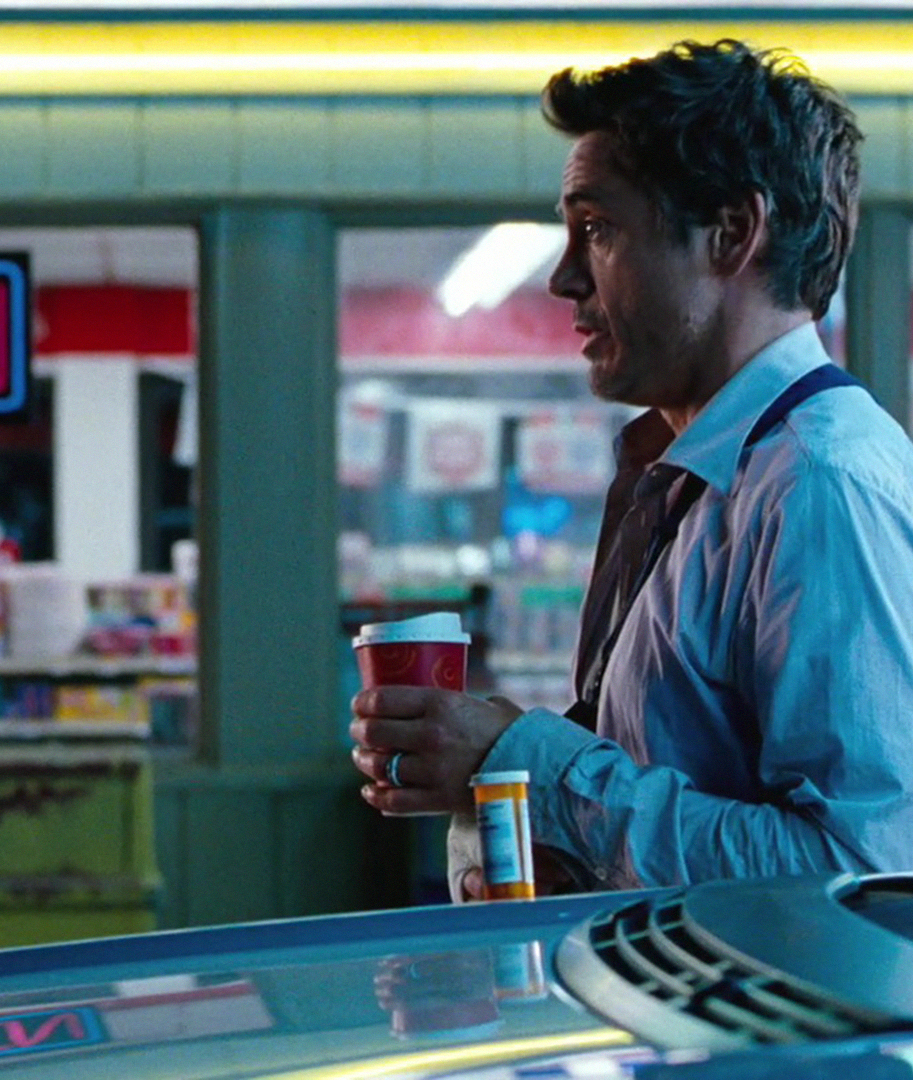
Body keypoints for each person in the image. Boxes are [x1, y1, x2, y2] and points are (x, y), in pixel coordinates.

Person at [350, 39, 913, 895]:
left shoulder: (818, 483)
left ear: (732, 234)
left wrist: (526, 763)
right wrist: (526, 815)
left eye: (597, 229)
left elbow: (864, 871)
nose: (563, 278)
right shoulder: (694, 476)